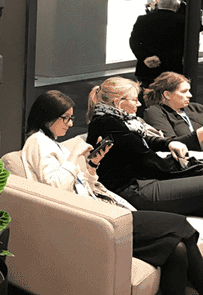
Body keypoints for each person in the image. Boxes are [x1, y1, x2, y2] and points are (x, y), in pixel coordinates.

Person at [18, 89, 203, 295]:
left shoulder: (53, 143)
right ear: (47, 117)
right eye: (66, 118)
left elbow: (80, 184)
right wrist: (74, 157)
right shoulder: (37, 142)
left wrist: (92, 165)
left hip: (98, 207)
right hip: (92, 217)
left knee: (177, 249)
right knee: (181, 225)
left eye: (72, 118)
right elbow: (55, 189)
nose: (70, 124)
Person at [86, 76, 203, 218]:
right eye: (135, 100)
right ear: (118, 102)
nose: (139, 104)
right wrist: (188, 167)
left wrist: (168, 143)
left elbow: (143, 142)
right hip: (134, 189)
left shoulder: (116, 119)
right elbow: (146, 157)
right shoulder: (107, 123)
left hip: (143, 180)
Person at [129, 0, 185, 87]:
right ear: (175, 4)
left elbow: (134, 41)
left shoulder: (143, 19)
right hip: (172, 68)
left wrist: (144, 57)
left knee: (146, 93)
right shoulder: (182, 21)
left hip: (146, 69)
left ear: (158, 3)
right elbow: (184, 44)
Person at [144, 72, 203, 151]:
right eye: (184, 91)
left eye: (189, 90)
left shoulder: (197, 108)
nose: (190, 95)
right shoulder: (155, 112)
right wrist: (200, 134)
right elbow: (169, 143)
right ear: (167, 95)